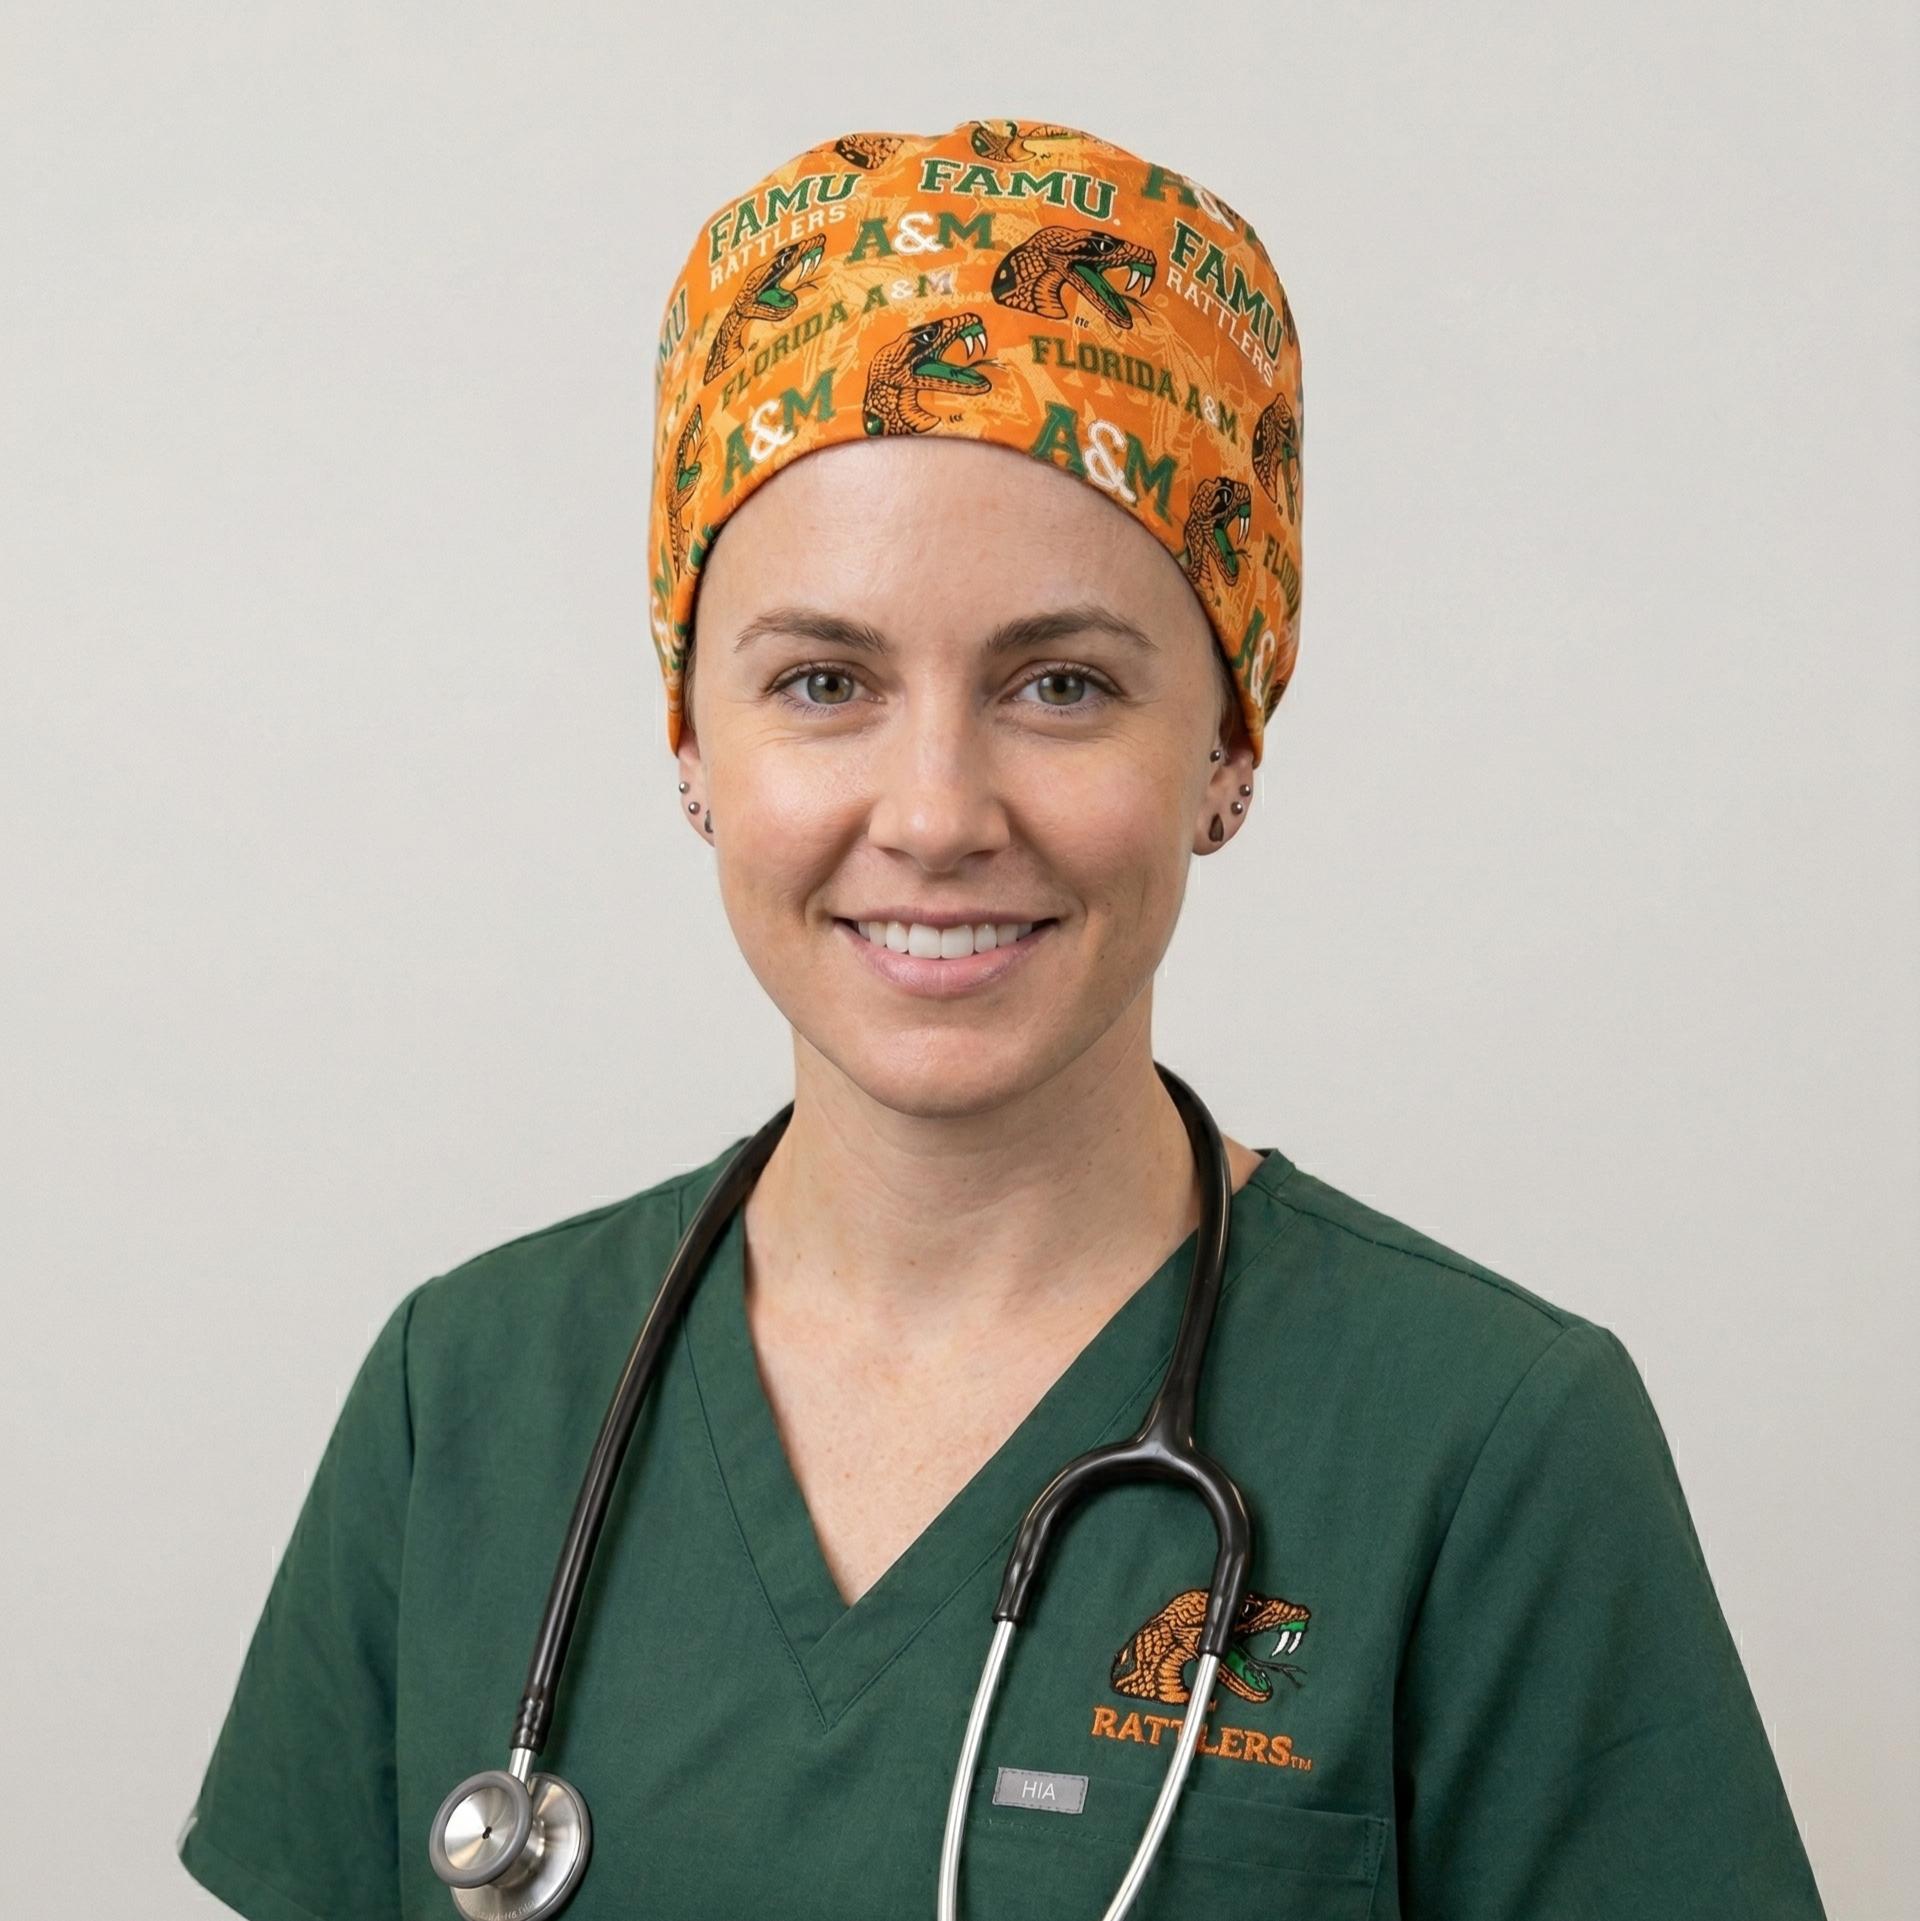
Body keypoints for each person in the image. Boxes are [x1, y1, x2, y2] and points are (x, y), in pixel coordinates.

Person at [179, 123, 1823, 1920]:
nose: (941, 809)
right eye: (824, 682)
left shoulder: (1485, 1441)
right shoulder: (468, 1396)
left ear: (1229, 750)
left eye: (1061, 684)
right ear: (689, 748)